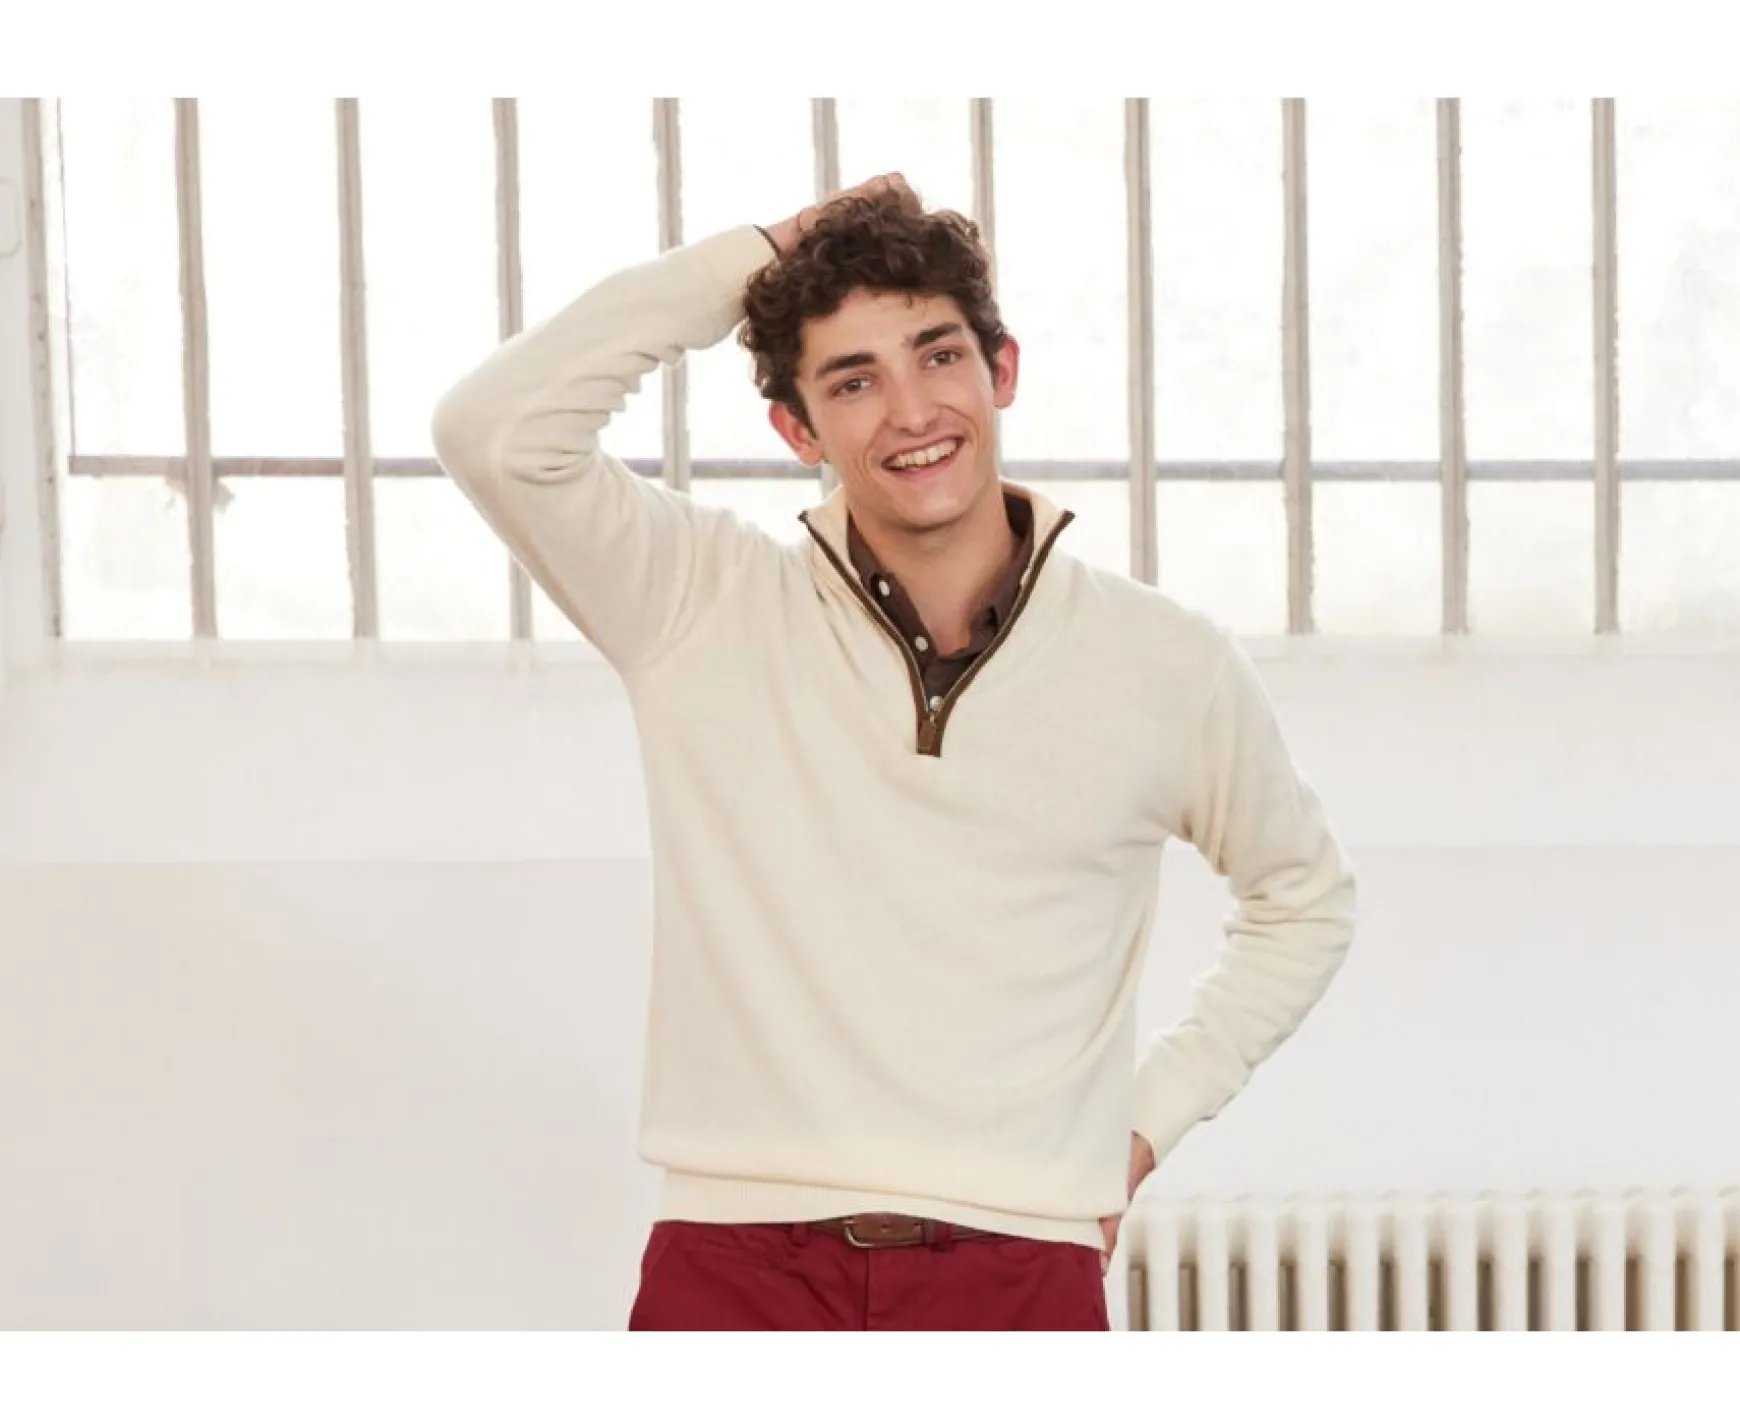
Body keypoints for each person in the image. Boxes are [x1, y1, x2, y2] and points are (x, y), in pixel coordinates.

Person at [431, 174, 1356, 1331]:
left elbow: (1303, 896)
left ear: (1001, 369)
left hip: (1020, 1264)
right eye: (853, 380)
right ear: (797, 429)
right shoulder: (699, 602)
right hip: (737, 1265)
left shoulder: (1165, 660)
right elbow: (493, 431)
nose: (912, 411)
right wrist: (760, 253)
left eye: (939, 356)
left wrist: (1146, 1120)